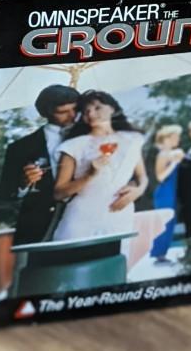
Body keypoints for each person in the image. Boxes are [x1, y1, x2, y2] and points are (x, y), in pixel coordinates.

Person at [52, 91, 147, 242]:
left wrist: (138, 190)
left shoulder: (133, 139)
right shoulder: (73, 145)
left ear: (112, 109)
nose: (91, 113)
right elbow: (58, 193)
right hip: (81, 219)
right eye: (86, 111)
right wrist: (90, 175)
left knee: (116, 256)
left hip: (119, 216)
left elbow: (142, 176)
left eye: (97, 107)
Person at [0, 84, 80, 245]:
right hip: (39, 230)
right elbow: (5, 194)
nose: (73, 116)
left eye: (76, 109)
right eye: (63, 112)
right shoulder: (20, 148)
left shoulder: (94, 136)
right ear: (46, 113)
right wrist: (23, 183)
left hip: (86, 223)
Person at [149, 125, 185, 264]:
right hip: (164, 193)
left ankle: (162, 254)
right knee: (164, 222)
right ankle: (158, 255)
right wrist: (174, 163)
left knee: (170, 223)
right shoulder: (163, 154)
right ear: (167, 138)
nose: (178, 139)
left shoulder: (171, 153)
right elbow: (160, 177)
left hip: (171, 192)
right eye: (176, 136)